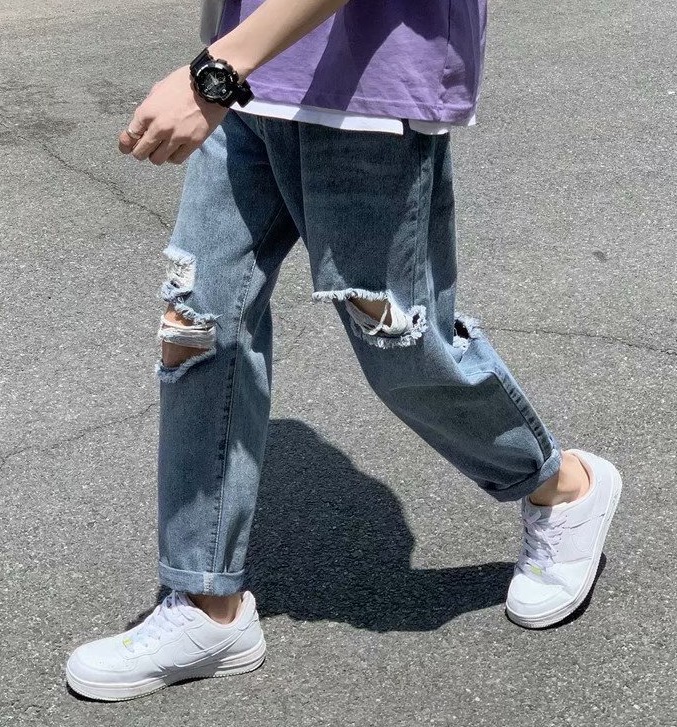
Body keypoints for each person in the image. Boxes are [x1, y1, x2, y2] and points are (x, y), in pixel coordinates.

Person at [65, 0, 621, 701]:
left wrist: (214, 73)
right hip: (248, 83)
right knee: (197, 330)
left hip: (364, 92)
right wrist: (224, 60)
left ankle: (561, 485)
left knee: (400, 346)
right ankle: (207, 604)